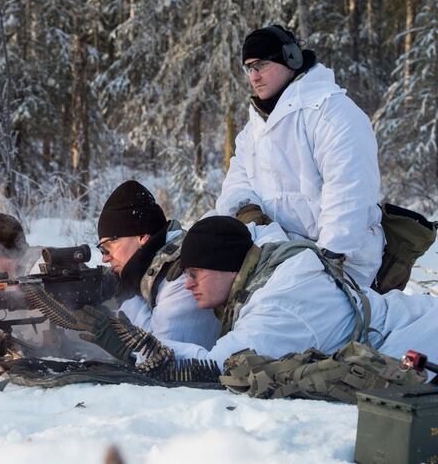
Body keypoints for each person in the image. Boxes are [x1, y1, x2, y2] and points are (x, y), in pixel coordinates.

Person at [106, 216, 438, 370]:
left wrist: (143, 346)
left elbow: (220, 366)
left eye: (195, 273)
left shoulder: (281, 303)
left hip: (421, 342)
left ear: (226, 267)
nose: (188, 284)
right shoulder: (266, 276)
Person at [216, 24, 383, 288]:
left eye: (260, 64)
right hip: (276, 254)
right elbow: (237, 184)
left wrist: (328, 261)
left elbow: (349, 194)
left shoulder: (332, 113)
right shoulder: (253, 130)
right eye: (248, 68)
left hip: (339, 263)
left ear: (291, 59)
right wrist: (247, 212)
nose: (254, 77)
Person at [94, 180, 220, 349]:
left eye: (108, 247)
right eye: (102, 251)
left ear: (142, 237)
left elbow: (165, 360)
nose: (105, 258)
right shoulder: (153, 267)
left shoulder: (181, 277)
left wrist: (127, 298)